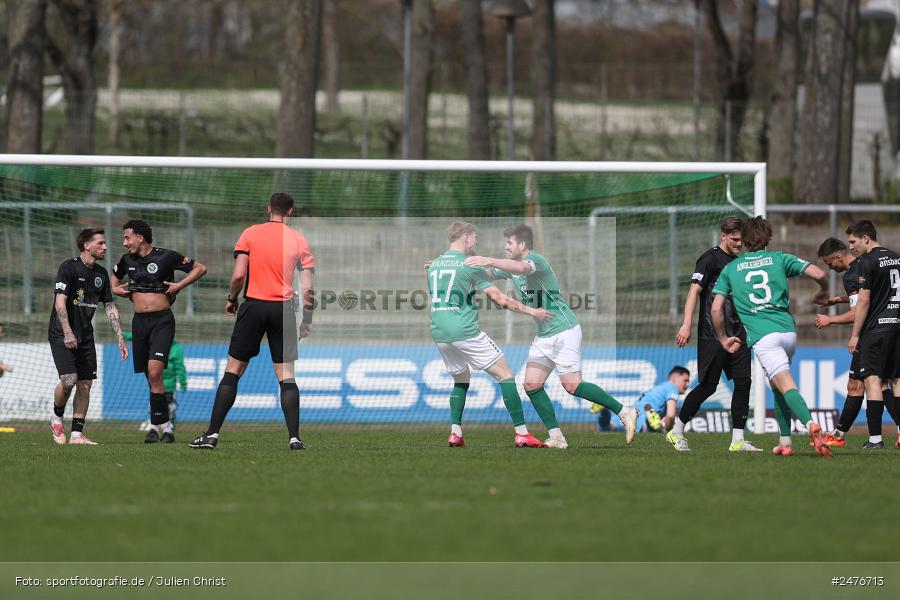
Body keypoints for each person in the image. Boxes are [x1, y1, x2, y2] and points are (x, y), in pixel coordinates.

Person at [464, 223, 638, 448]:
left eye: (509, 243)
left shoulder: (536, 261)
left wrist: (488, 258)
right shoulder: (511, 266)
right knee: (531, 385)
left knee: (573, 385)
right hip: (545, 335)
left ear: (523, 244)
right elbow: (483, 273)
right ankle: (557, 437)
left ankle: (625, 412)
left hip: (564, 330)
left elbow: (520, 269)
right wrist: (447, 266)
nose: (506, 247)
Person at [190, 192, 314, 451]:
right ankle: (295, 438)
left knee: (233, 370)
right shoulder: (299, 239)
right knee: (286, 375)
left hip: (254, 305)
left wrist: (231, 299)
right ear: (290, 212)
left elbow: (238, 275)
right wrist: (306, 320)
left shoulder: (250, 233)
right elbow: (309, 292)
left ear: (269, 208)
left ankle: (212, 434)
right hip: (284, 310)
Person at [711, 216, 831, 458]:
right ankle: (785, 442)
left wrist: (723, 337)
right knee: (776, 385)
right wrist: (824, 291)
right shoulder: (780, 258)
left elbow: (715, 308)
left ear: (743, 240)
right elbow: (818, 273)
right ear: (768, 239)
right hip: (787, 332)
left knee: (785, 384)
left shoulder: (731, 269)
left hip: (764, 338)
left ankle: (811, 424)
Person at [428, 221, 556, 449]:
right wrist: (532, 311)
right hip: (464, 331)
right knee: (506, 375)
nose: (476, 241)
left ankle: (455, 433)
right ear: (466, 237)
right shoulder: (469, 265)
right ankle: (522, 434)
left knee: (461, 380)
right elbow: (500, 299)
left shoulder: (435, 264)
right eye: (474, 237)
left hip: (440, 333)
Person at [111, 219, 206, 444]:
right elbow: (114, 280)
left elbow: (200, 268)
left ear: (140, 238)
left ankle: (161, 426)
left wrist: (179, 286)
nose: (124, 243)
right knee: (151, 378)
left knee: (155, 373)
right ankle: (161, 428)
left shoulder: (166, 256)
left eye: (127, 237)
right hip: (139, 323)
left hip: (162, 321)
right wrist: (116, 289)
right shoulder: (127, 260)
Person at [670, 216, 757, 452]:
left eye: (742, 240)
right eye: (735, 239)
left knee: (744, 382)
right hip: (712, 333)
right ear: (724, 236)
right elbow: (693, 292)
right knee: (708, 386)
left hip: (738, 334)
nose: (739, 244)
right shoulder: (709, 259)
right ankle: (676, 431)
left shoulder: (740, 262)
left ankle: (737, 440)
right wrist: (686, 324)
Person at [815, 237, 900, 449]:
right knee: (880, 383)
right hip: (890, 327)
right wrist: (837, 300)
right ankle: (841, 432)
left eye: (828, 263)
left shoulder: (854, 272)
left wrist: (831, 320)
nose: (830, 267)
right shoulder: (872, 264)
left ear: (837, 256)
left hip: (868, 335)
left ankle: (852, 436)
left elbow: (857, 311)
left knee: (865, 384)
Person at [49, 228, 129, 445]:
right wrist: (67, 331)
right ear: (87, 246)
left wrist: (120, 337)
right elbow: (60, 302)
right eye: (100, 243)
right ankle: (56, 418)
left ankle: (76, 434)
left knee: (85, 384)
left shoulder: (101, 274)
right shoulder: (69, 267)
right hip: (61, 333)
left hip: (86, 335)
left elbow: (110, 306)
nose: (105, 247)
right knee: (69, 380)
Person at [846, 220, 900, 450]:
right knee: (897, 381)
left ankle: (876, 439)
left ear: (866, 238)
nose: (851, 247)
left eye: (853, 241)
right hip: (897, 327)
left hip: (876, 329)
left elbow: (864, 300)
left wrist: (855, 335)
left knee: (873, 380)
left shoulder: (867, 262)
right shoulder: (897, 257)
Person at [125, 333, 187, 432]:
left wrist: (183, 383)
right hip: (155, 381)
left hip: (169, 385)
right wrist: (123, 335)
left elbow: (180, 367)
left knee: (170, 404)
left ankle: (169, 422)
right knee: (154, 402)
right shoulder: (154, 342)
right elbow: (139, 336)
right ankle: (154, 422)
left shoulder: (176, 348)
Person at [637, 366, 690, 433]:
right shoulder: (672, 387)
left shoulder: (661, 387)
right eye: (685, 380)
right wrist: (668, 428)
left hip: (635, 416)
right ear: (674, 378)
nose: (688, 384)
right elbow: (671, 415)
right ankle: (654, 424)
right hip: (644, 420)